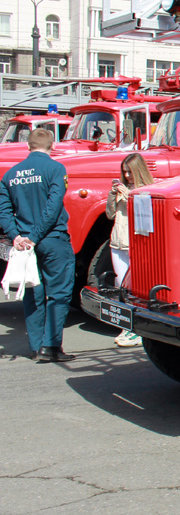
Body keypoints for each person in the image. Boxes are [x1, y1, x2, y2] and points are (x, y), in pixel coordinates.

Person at [0, 128, 75, 362]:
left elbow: (3, 211)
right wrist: (36, 235)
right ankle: (51, 347)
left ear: (28, 146)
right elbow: (53, 208)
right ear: (52, 146)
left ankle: (35, 347)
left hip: (24, 244)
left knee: (33, 293)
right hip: (52, 239)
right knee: (59, 293)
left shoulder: (10, 175)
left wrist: (17, 236)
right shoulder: (56, 169)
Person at [106, 153, 154, 347]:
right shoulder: (123, 189)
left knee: (136, 288)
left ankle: (137, 329)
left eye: (130, 172)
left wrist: (129, 195)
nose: (127, 176)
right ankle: (127, 326)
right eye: (124, 172)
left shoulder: (147, 189)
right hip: (117, 242)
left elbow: (145, 216)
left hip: (134, 243)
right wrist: (112, 195)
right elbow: (110, 215)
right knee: (121, 286)